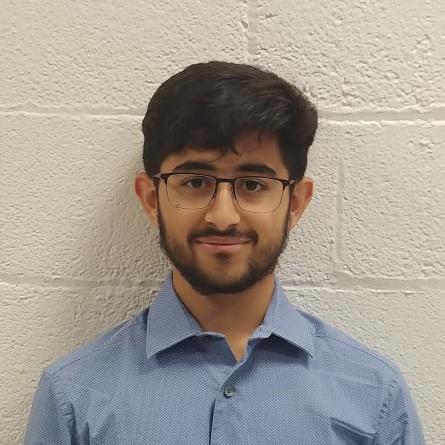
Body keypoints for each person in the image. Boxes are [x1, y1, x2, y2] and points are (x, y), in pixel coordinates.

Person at [24, 61, 425, 444]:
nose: (223, 217)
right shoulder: (75, 396)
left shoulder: (374, 395)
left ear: (296, 203)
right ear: (150, 199)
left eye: (252, 185)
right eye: (195, 182)